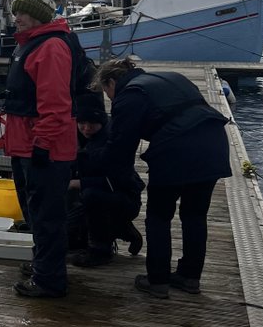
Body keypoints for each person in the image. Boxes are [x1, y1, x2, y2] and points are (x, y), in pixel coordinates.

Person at [95, 57, 232, 298]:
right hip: (214, 143)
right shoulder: (171, 78)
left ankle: (157, 280)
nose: (109, 98)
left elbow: (120, 147)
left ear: (112, 82)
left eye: (106, 91)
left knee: (159, 216)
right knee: (195, 214)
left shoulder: (129, 96)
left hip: (176, 150)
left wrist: (97, 170)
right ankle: (190, 277)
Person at [3, 0, 79, 298]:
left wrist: (42, 145)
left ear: (38, 17)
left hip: (45, 148)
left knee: (47, 215)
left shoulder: (50, 48)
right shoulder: (31, 45)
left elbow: (56, 105)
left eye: (22, 13)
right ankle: (44, 265)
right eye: (16, 11)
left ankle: (49, 279)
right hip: (26, 144)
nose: (16, 17)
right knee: (36, 212)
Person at [66, 90, 144, 267]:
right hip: (93, 195)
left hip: (123, 196)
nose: (86, 128)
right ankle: (123, 230)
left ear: (101, 121)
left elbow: (116, 180)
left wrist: (79, 183)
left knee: (90, 195)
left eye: (92, 124)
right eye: (82, 123)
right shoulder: (81, 138)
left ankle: (101, 250)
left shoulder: (111, 142)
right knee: (69, 231)